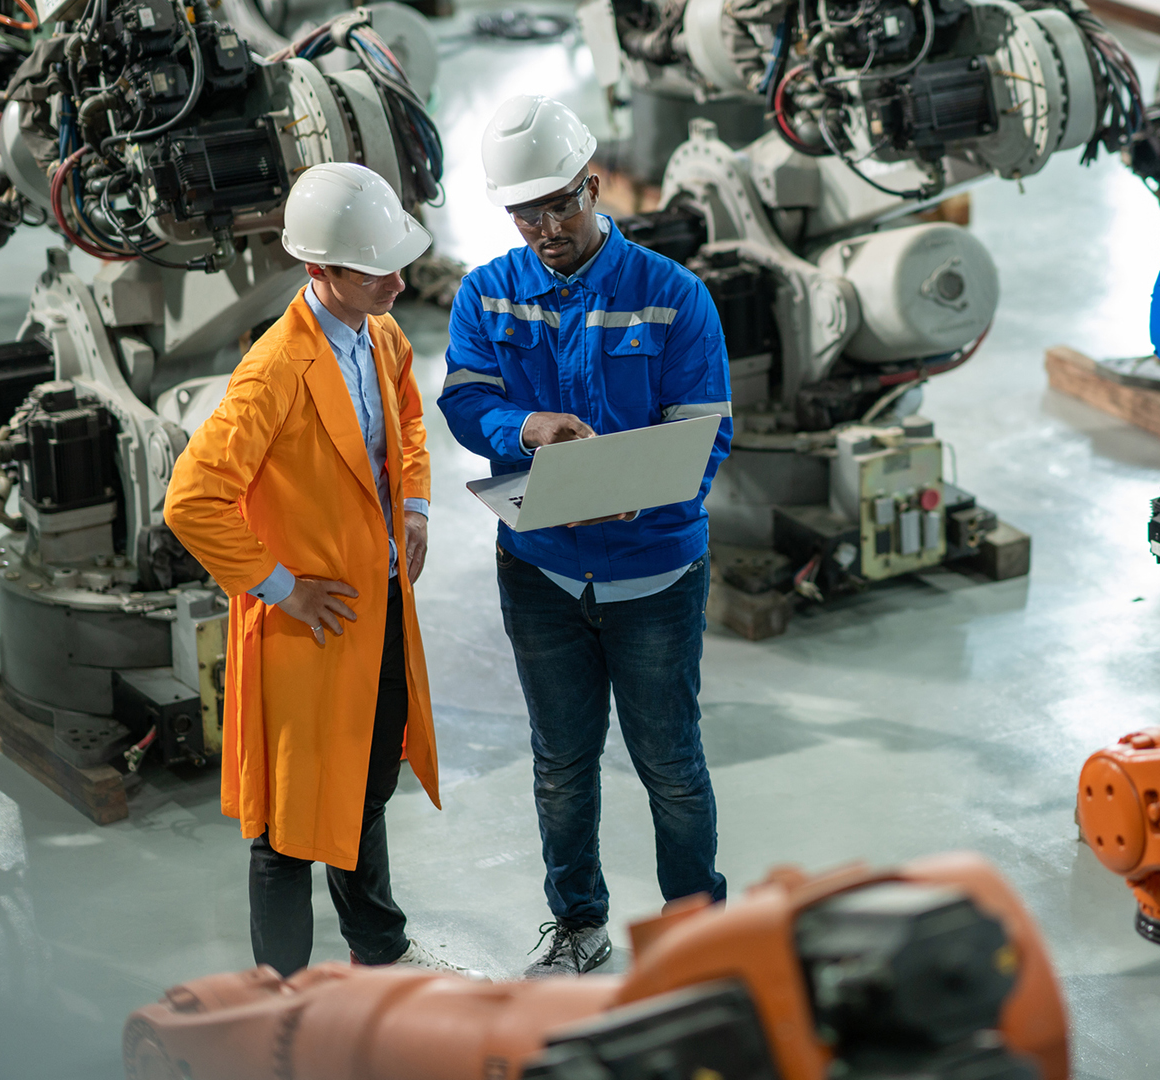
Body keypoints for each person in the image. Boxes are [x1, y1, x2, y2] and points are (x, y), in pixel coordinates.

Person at [437, 95, 734, 977]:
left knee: (670, 766)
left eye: (560, 205)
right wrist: (526, 429)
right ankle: (578, 921)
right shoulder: (489, 294)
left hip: (654, 576)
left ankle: (696, 933)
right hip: (542, 576)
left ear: (593, 186)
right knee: (561, 764)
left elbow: (706, 430)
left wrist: (633, 501)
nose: (544, 227)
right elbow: (464, 399)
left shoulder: (672, 297)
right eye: (525, 211)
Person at [166, 162, 471, 977]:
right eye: (376, 271)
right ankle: (283, 996)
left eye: (399, 262)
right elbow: (192, 500)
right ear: (318, 271)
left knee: (363, 792)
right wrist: (282, 588)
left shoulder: (383, 337)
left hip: (375, 618)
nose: (399, 283)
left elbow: (406, 420)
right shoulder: (273, 373)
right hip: (309, 633)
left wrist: (414, 508)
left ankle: (379, 949)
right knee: (285, 830)